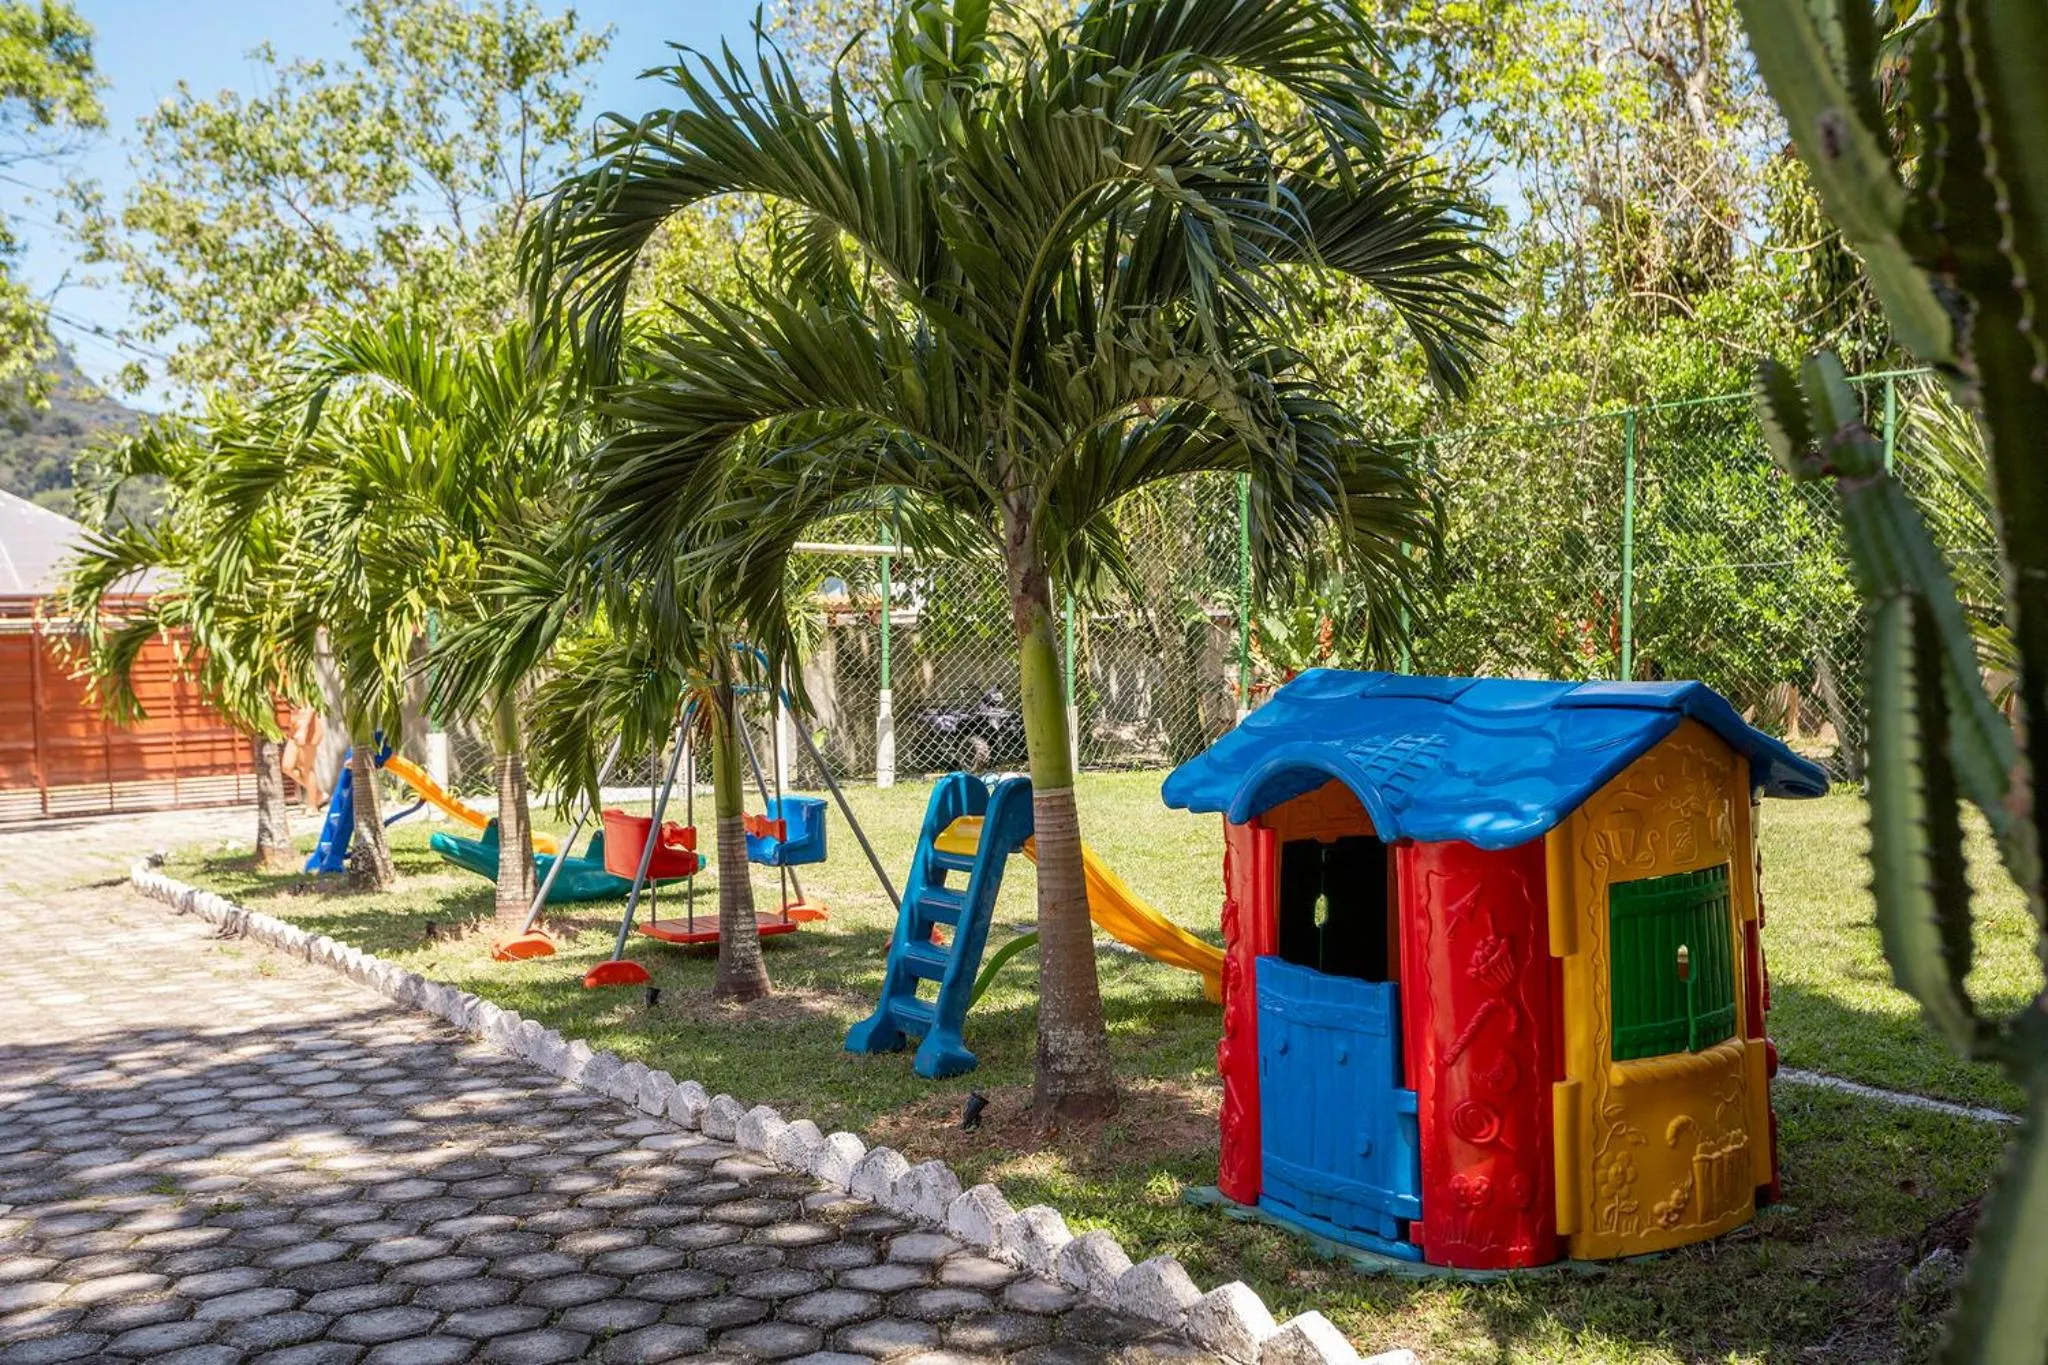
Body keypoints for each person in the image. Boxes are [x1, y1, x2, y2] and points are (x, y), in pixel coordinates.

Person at [281, 705, 330, 812]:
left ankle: (312, 806)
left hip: (307, 728)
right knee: (287, 766)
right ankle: (317, 794)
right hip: (295, 727)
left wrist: (304, 729)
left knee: (306, 768)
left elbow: (311, 706)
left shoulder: (303, 688)